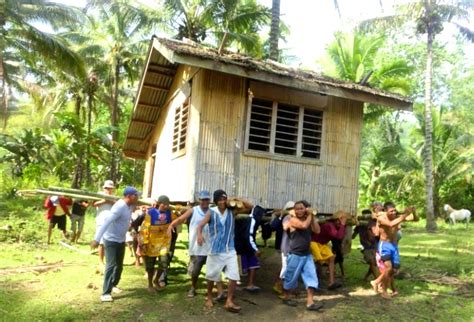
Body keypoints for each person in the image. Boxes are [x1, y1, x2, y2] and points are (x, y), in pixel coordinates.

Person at [197, 189, 253, 313]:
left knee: (233, 276)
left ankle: (229, 301)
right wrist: (199, 235)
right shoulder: (211, 212)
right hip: (215, 250)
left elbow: (250, 207)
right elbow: (200, 225)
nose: (222, 202)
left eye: (224, 199)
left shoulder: (232, 211)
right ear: (216, 201)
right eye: (220, 200)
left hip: (230, 249)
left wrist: (238, 199)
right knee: (211, 276)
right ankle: (209, 297)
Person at [167, 190, 223, 298]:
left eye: (206, 199)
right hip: (198, 246)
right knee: (196, 270)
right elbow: (181, 219)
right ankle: (193, 287)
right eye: (202, 200)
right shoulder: (193, 211)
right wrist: (171, 225)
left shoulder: (213, 212)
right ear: (199, 200)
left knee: (215, 268)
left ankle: (219, 291)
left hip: (210, 245)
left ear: (209, 200)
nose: (204, 202)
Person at [91, 186, 140, 302]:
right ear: (128, 196)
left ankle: (113, 285)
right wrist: (96, 239)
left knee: (119, 266)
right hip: (111, 239)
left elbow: (142, 204)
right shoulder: (119, 206)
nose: (137, 197)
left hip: (120, 239)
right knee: (111, 265)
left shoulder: (130, 205)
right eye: (135, 195)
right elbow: (106, 222)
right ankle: (105, 293)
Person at [281, 200, 323, 311]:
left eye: (302, 208)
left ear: (305, 209)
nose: (299, 210)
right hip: (295, 254)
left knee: (312, 277)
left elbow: (317, 230)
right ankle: (286, 297)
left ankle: (310, 302)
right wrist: (310, 214)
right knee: (291, 278)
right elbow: (303, 226)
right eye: (297, 208)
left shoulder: (308, 219)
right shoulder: (292, 219)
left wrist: (312, 217)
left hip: (307, 254)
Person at [373, 202, 413, 298]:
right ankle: (384, 291)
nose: (393, 212)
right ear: (386, 211)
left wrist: (413, 212)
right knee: (388, 268)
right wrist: (405, 215)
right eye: (391, 211)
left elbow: (415, 219)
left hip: (394, 245)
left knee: (393, 270)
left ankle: (376, 282)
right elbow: (390, 224)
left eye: (395, 210)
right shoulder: (381, 218)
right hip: (384, 245)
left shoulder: (396, 217)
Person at [139, 195, 177, 292]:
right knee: (150, 265)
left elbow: (181, 218)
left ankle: (156, 280)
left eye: (168, 204)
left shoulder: (170, 213)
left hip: (164, 243)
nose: (166, 206)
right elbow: (145, 228)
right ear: (160, 203)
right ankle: (150, 284)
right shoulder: (151, 213)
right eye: (164, 204)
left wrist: (178, 208)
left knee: (164, 263)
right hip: (152, 243)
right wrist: (144, 242)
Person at [310, 211, 346, 290]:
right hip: (314, 243)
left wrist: (342, 226)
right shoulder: (329, 225)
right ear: (336, 220)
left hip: (322, 244)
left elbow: (340, 236)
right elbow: (338, 236)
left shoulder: (337, 226)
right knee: (319, 261)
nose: (339, 223)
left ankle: (331, 282)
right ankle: (314, 283)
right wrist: (342, 225)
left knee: (332, 258)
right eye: (339, 221)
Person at [234, 205, 266, 292]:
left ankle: (250, 284)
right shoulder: (252, 220)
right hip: (243, 246)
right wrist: (255, 249)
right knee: (241, 266)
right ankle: (236, 285)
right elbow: (249, 235)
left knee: (253, 264)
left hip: (244, 245)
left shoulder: (248, 219)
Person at [272, 201, 295, 295]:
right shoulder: (284, 218)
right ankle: (280, 286)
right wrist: (281, 216)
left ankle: (285, 287)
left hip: (291, 246)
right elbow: (273, 226)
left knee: (288, 267)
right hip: (285, 245)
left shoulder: (294, 218)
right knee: (285, 268)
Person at [93, 180, 116, 268]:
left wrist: (110, 201)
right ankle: (100, 261)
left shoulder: (114, 197)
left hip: (111, 221)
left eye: (110, 188)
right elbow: (94, 204)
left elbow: (117, 205)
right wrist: (104, 201)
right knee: (101, 242)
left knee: (109, 241)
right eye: (107, 188)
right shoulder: (99, 194)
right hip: (101, 220)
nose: (108, 190)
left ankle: (109, 261)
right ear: (104, 188)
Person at [352, 213, 378, 282]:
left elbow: (374, 236)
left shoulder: (373, 224)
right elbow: (353, 236)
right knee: (372, 262)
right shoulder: (359, 226)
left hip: (374, 246)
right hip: (366, 247)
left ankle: (366, 277)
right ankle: (377, 279)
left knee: (373, 263)